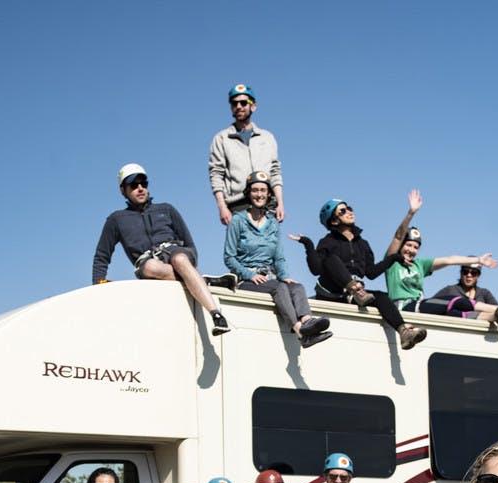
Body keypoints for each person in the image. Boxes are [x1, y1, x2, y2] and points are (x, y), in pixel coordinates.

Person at [92, 163, 231, 337]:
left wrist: (189, 259)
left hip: (175, 252)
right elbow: (102, 256)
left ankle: (216, 315)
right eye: (134, 185)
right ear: (123, 190)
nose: (140, 188)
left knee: (180, 259)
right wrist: (97, 286)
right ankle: (200, 280)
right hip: (148, 262)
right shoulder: (116, 220)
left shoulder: (166, 209)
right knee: (150, 266)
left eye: (144, 183)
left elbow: (190, 244)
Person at [288, 197, 427, 351]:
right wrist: (308, 244)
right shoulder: (328, 241)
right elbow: (316, 270)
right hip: (330, 291)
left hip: (355, 296)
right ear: (334, 221)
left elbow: (371, 273)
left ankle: (403, 331)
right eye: (342, 211)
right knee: (331, 259)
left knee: (381, 296)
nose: (349, 212)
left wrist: (395, 258)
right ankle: (354, 289)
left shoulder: (363, 244)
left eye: (349, 208)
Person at [224, 172, 331, 349]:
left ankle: (307, 321)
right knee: (279, 287)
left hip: (270, 278)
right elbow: (229, 257)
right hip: (247, 279)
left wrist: (284, 275)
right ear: (249, 194)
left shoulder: (272, 223)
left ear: (268, 194)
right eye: (255, 190)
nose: (259, 194)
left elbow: (278, 256)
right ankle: (300, 331)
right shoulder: (238, 220)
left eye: (263, 191)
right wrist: (249, 275)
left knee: (296, 287)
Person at [386, 229, 498, 330]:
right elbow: (397, 237)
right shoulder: (392, 263)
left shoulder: (419, 264)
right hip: (404, 308)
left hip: (418, 305)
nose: (412, 250)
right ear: (401, 246)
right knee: (452, 301)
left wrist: (478, 259)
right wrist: (411, 212)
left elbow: (449, 260)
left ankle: (496, 317)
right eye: (408, 245)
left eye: (415, 247)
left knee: (454, 313)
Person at [209, 84, 284, 225]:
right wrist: (222, 206)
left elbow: (275, 171)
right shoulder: (222, 138)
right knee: (240, 247)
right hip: (238, 205)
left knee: (270, 246)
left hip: (267, 203)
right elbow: (216, 174)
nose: (239, 106)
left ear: (253, 106)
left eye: (243, 102)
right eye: (234, 103)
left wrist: (280, 202)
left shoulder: (267, 137)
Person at [429, 265, 498, 327]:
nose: (469, 275)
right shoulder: (450, 290)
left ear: (478, 276)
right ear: (461, 273)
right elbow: (432, 304)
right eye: (465, 272)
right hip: (460, 324)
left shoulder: (484, 293)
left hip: (483, 327)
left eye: (473, 273)